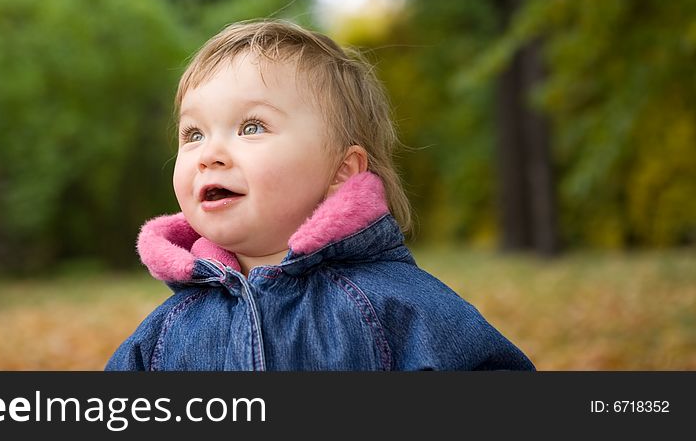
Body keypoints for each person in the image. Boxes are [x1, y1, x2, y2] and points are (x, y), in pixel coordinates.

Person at [105, 19, 535, 371]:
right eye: (193, 133)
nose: (209, 155)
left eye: (251, 127)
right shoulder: (165, 335)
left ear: (340, 171)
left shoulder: (395, 307)